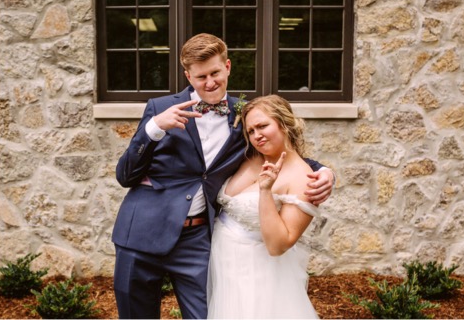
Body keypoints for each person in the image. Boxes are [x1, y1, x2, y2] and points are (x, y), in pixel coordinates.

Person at [111, 33, 334, 319]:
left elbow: (280, 147)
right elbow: (125, 175)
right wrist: (154, 129)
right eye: (200, 77)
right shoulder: (159, 108)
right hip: (141, 234)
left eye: (215, 73)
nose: (210, 82)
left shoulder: (243, 115)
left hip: (198, 240)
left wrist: (323, 171)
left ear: (227, 67)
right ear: (188, 76)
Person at [207, 94, 319, 318]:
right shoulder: (250, 156)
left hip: (257, 272)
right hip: (224, 263)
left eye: (262, 126)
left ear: (284, 124)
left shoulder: (304, 179)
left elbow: (278, 246)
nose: (256, 135)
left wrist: (266, 191)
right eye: (251, 131)